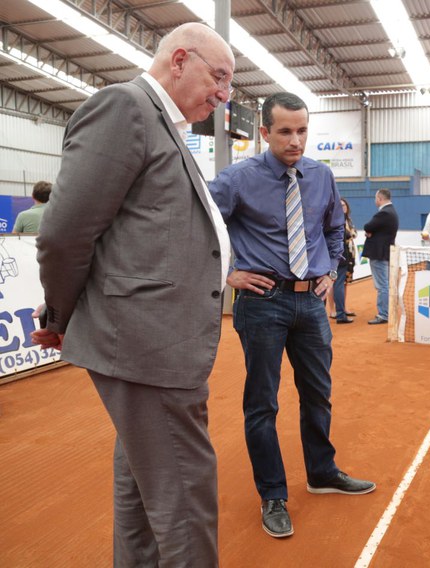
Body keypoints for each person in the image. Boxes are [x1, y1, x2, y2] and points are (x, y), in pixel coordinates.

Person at [31, 22, 235, 567]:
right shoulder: (125, 108)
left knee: (143, 488)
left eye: (228, 84)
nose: (223, 93)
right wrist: (60, 313)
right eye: (218, 77)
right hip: (149, 345)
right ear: (179, 61)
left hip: (157, 342)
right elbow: (67, 232)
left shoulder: (165, 125)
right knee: (186, 501)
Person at [208, 92, 375, 539]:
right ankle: (273, 495)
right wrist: (228, 273)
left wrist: (334, 269)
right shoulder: (237, 179)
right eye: (285, 131)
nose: (296, 140)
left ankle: (322, 472)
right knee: (262, 403)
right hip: (262, 302)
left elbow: (332, 227)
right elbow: (197, 225)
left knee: (318, 394)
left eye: (302, 130)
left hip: (311, 302)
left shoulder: (321, 176)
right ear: (265, 133)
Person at [361, 188, 398, 325]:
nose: (375, 200)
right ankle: (386, 312)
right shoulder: (391, 212)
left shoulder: (384, 213)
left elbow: (368, 225)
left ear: (380, 199)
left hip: (379, 254)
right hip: (384, 253)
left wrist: (369, 231)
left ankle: (383, 314)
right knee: (385, 284)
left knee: (382, 285)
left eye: (376, 198)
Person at [330, 197, 357, 324]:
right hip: (340, 256)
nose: (343, 207)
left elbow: (353, 233)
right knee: (337, 284)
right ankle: (339, 314)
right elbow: (347, 234)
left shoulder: (347, 220)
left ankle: (341, 311)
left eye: (344, 205)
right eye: (340, 205)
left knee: (340, 283)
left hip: (345, 255)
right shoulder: (337, 220)